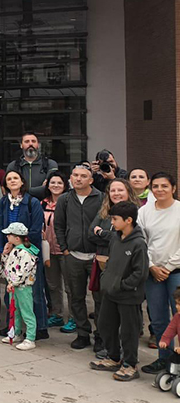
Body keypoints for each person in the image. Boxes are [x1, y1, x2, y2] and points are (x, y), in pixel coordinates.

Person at [90, 201, 147, 381]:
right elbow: (111, 261)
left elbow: (140, 272)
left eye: (115, 219)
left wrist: (122, 285)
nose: (112, 222)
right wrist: (107, 279)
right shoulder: (115, 238)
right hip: (110, 292)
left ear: (128, 220)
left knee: (129, 331)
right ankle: (113, 357)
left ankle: (130, 364)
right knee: (105, 324)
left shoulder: (139, 243)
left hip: (129, 295)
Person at [53, 163, 104, 350]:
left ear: (91, 180)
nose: (78, 179)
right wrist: (65, 248)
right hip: (73, 256)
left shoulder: (101, 198)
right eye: (75, 175)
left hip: (97, 257)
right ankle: (83, 333)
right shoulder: (65, 199)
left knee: (100, 298)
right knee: (76, 297)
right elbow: (59, 225)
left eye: (83, 176)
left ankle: (101, 335)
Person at [0, 169, 49, 342]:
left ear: (22, 182)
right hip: (10, 251)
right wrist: (2, 248)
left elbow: (36, 228)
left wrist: (19, 243)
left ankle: (40, 328)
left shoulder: (32, 202)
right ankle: (13, 327)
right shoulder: (4, 202)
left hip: (28, 251)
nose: (12, 181)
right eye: (9, 179)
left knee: (34, 291)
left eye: (15, 178)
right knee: (10, 291)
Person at [138, 172, 180, 374]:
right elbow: (140, 241)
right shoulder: (144, 211)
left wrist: (169, 267)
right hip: (152, 272)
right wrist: (152, 266)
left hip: (176, 271)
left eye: (164, 186)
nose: (160, 190)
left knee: (178, 316)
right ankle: (164, 359)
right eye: (155, 186)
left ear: (173, 188)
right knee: (158, 318)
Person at [0, 222, 39, 350]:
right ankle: (15, 333)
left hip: (23, 287)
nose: (7, 236)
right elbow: (8, 266)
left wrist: (13, 283)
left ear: (17, 238)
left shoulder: (26, 253)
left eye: (9, 234)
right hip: (13, 286)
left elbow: (23, 271)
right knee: (14, 311)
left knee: (27, 312)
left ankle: (30, 338)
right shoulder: (15, 250)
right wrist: (5, 254)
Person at [41, 171, 70, 331]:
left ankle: (74, 318)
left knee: (71, 287)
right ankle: (57, 314)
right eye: (53, 182)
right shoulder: (42, 203)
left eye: (59, 182)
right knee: (53, 285)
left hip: (66, 250)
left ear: (65, 185)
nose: (56, 185)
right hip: (48, 250)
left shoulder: (69, 202)